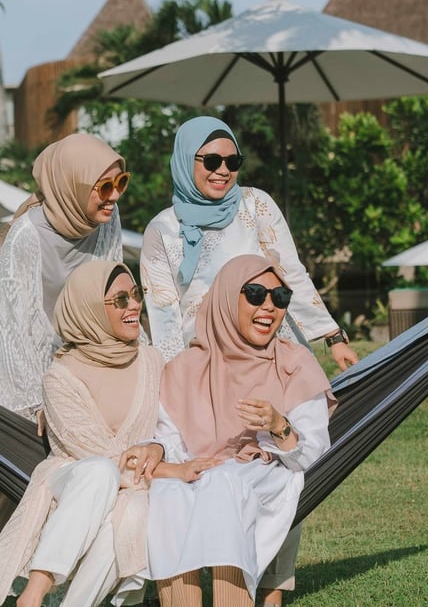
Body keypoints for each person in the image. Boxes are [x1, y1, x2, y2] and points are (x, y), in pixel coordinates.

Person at [140, 115, 357, 605]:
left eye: (232, 161)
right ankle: (191, 586)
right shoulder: (163, 230)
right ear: (185, 161)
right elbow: (164, 316)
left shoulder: (256, 206)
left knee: (270, 469)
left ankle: (272, 590)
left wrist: (331, 335)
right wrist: (187, 383)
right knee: (198, 476)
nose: (223, 171)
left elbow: (289, 276)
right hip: (202, 366)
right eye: (210, 161)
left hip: (263, 352)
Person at [0, 133, 131, 607]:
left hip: (80, 373)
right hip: (12, 383)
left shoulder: (107, 222)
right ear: (71, 185)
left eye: (120, 184)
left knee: (82, 483)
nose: (114, 197)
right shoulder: (27, 235)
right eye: (103, 188)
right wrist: (39, 398)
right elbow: (14, 327)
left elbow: (111, 294)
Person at [0, 260, 165, 607]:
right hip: (74, 476)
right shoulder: (61, 376)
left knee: (130, 512)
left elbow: (169, 425)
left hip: (137, 484)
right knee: (102, 473)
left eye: (135, 295)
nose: (133, 305)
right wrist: (151, 464)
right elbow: (92, 452)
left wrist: (159, 448)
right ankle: (35, 593)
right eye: (120, 299)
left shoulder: (152, 362)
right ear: (88, 309)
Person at [146, 254, 337, 607]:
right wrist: (178, 464)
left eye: (279, 298)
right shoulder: (186, 368)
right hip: (201, 471)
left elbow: (313, 453)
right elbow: (169, 437)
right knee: (167, 492)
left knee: (224, 483)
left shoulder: (293, 363)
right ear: (225, 298)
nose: (269, 307)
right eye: (255, 294)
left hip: (266, 473)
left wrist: (280, 426)